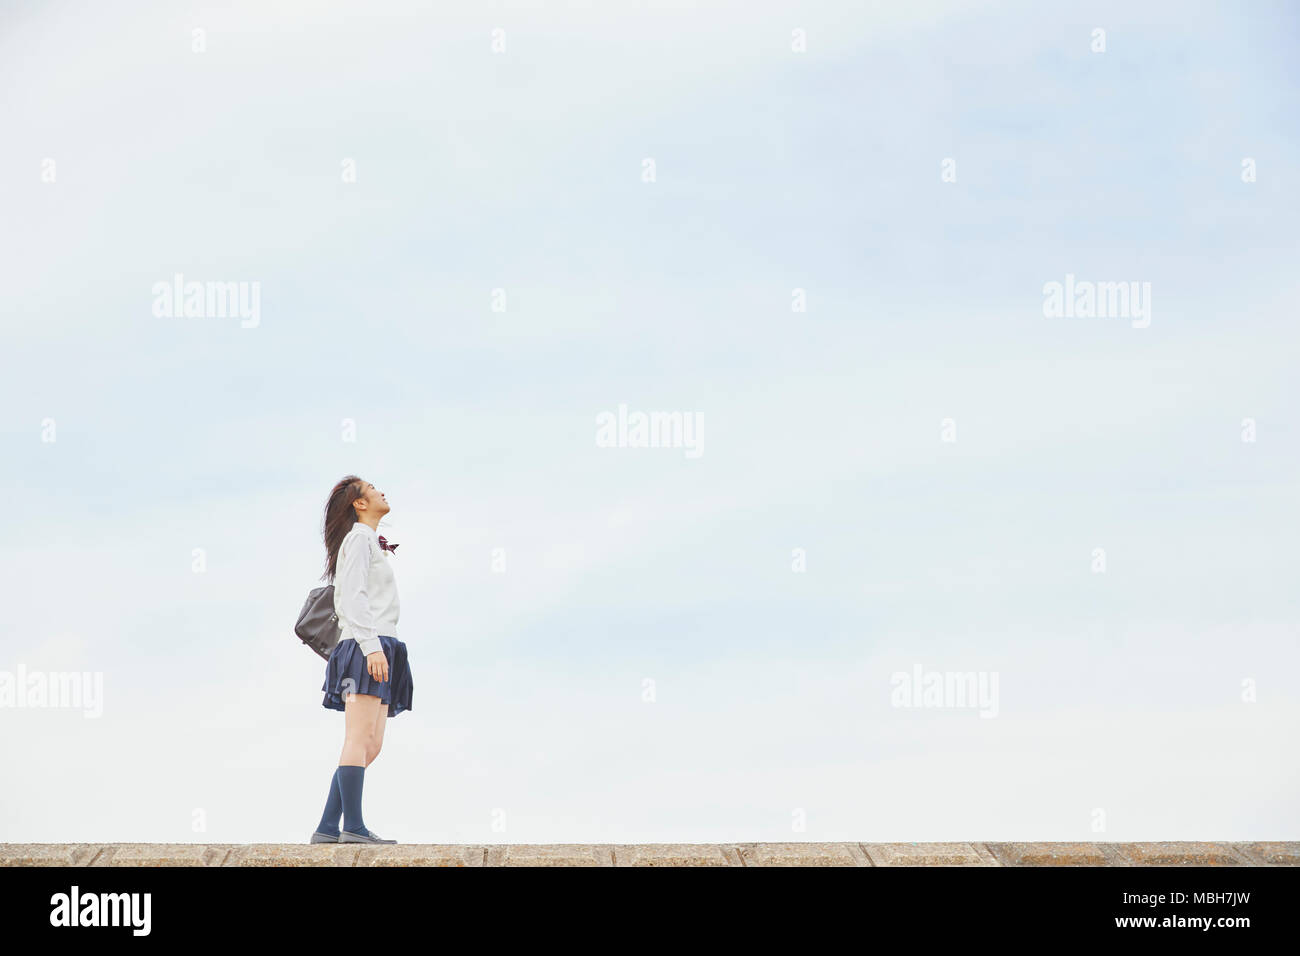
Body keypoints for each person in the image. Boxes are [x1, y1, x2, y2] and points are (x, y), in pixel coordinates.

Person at [309, 475, 413, 844]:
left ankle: (327, 827)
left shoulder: (369, 541)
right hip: (364, 645)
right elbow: (352, 597)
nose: (381, 489)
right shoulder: (357, 539)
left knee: (372, 743)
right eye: (372, 488)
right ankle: (352, 827)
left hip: (381, 641)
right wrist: (371, 648)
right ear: (359, 503)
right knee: (357, 737)